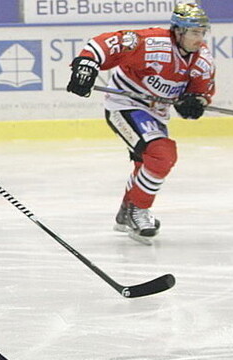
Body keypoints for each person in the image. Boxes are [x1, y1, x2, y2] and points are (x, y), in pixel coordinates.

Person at [67, 2, 216, 245]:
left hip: (155, 114)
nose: (200, 38)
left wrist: (195, 102)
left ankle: (127, 213)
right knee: (162, 155)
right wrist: (87, 63)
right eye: (195, 32)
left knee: (147, 165)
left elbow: (201, 94)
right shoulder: (153, 43)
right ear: (178, 30)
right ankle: (138, 210)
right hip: (124, 105)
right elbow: (108, 42)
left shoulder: (203, 61)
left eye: (202, 32)